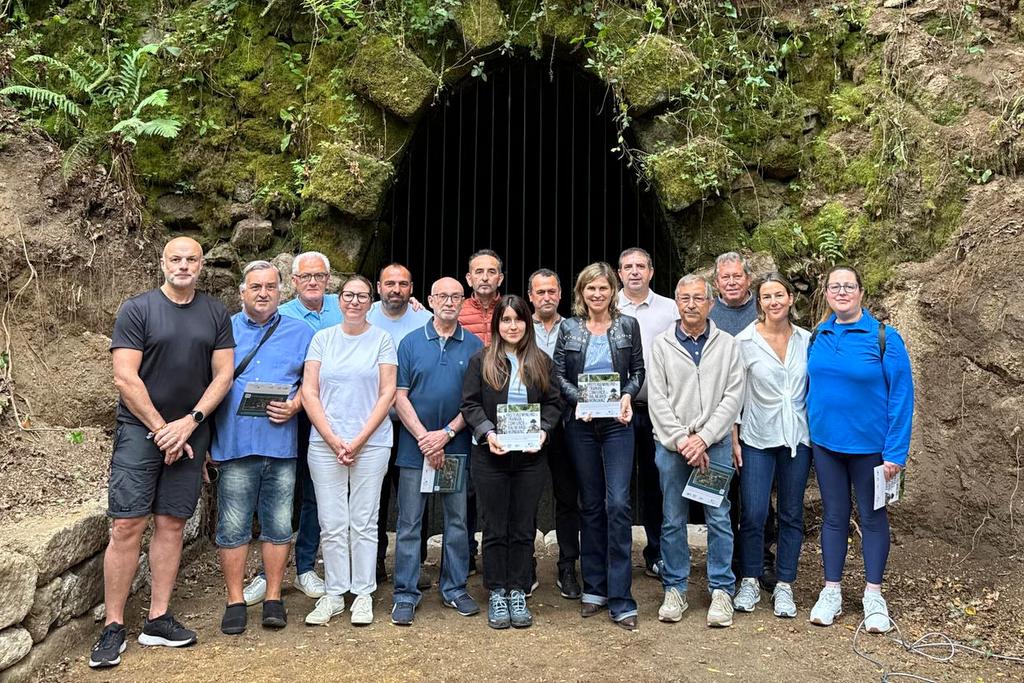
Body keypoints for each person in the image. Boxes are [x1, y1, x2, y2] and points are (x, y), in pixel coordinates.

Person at [91, 237, 234, 669]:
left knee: (172, 523)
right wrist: (162, 430)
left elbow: (223, 375)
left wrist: (189, 423)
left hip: (191, 432)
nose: (183, 265)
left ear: (201, 265)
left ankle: (157, 618)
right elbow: (125, 378)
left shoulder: (216, 313)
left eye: (191, 259)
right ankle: (113, 626)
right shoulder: (137, 310)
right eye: (176, 259)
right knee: (127, 525)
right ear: (163, 263)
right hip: (141, 432)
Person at [806, 265, 914, 633]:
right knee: (834, 516)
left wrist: (895, 452)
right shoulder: (818, 335)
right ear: (826, 293)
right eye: (834, 286)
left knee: (873, 518)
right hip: (826, 445)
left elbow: (901, 397)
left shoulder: (884, 338)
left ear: (861, 292)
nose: (841, 292)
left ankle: (873, 596)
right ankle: (831, 591)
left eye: (848, 286)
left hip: (871, 449)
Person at [212, 261, 314, 635]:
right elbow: (207, 383)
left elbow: (312, 384)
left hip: (280, 444)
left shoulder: (300, 332)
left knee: (278, 525)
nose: (263, 293)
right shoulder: (222, 331)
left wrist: (295, 405)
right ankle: (235, 600)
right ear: (242, 292)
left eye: (270, 286)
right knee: (233, 526)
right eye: (255, 286)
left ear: (281, 292)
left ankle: (273, 597)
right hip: (234, 443)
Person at [648, 274, 745, 628]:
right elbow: (657, 398)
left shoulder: (727, 344)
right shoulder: (661, 345)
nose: (691, 304)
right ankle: (675, 588)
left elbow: (733, 396)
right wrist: (682, 440)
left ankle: (721, 589)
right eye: (684, 298)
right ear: (676, 302)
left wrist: (703, 438)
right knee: (672, 518)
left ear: (711, 303)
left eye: (698, 298)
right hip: (673, 446)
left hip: (714, 445)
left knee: (718, 516)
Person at [244, 251, 340, 605]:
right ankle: (266, 573)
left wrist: (418, 306)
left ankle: (305, 567)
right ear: (294, 282)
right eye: (305, 276)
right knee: (276, 493)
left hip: (330, 416)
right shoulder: (279, 314)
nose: (313, 282)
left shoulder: (343, 307)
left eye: (319, 276)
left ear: (328, 279)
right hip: (286, 417)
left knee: (315, 493)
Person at [301, 275, 398, 626]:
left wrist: (357, 440)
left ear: (371, 301)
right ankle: (334, 592)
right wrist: (332, 438)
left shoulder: (382, 340)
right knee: (331, 521)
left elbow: (387, 393)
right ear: (339, 300)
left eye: (362, 296)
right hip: (325, 443)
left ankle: (363, 593)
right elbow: (309, 392)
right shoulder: (322, 339)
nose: (355, 301)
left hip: (371, 443)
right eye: (348, 295)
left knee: (364, 520)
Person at [461, 295, 563, 629]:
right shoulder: (481, 361)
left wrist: (544, 431)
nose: (512, 326)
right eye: (505, 320)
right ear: (497, 325)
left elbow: (554, 404)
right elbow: (470, 404)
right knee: (494, 526)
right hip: (491, 456)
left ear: (527, 324)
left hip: (530, 458)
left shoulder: (541, 362)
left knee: (522, 526)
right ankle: (496, 591)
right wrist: (487, 433)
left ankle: (518, 589)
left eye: (518, 319)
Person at [553, 262, 644, 630]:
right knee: (590, 504)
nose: (597, 294)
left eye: (603, 288)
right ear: (581, 292)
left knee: (618, 503)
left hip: (618, 424)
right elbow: (558, 375)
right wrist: (579, 400)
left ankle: (621, 597)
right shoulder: (569, 328)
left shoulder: (628, 326)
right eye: (590, 288)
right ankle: (595, 587)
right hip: (582, 424)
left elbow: (637, 371)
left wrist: (627, 396)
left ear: (612, 291)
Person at [390, 277, 484, 625]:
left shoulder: (474, 345)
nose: (449, 302)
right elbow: (399, 395)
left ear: (463, 301)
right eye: (442, 296)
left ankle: (455, 588)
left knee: (457, 522)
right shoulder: (410, 343)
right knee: (409, 523)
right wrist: (425, 438)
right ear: (430, 300)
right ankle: (405, 593)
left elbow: (474, 401)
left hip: (455, 447)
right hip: (414, 448)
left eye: (455, 296)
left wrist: (444, 435)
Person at [731, 273, 811, 619]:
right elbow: (734, 393)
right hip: (757, 437)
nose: (774, 302)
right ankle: (749, 579)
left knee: (792, 513)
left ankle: (784, 584)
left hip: (798, 437)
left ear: (790, 298)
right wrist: (733, 438)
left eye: (779, 295)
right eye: (767, 297)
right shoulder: (744, 341)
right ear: (759, 302)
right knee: (754, 512)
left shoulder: (807, 340)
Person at [708, 251, 777, 589]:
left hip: (758, 415)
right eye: (726, 277)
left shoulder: (762, 309)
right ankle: (728, 560)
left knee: (757, 496)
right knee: (722, 492)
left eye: (738, 276)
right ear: (716, 282)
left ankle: (761, 557)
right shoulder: (708, 313)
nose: (732, 282)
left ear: (748, 279)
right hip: (717, 416)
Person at [367, 263, 433, 583]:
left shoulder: (425, 319)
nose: (396, 289)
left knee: (415, 498)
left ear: (412, 289)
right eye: (390, 283)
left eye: (403, 284)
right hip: (372, 424)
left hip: (412, 424)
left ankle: (414, 565)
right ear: (378, 287)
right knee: (374, 497)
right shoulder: (363, 314)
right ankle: (374, 562)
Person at [616, 247, 679, 578]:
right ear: (619, 273)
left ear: (651, 272)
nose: (635, 272)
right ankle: (618, 554)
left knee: (657, 483)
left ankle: (656, 552)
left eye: (641, 266)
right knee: (618, 486)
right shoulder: (607, 306)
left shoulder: (670, 309)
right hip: (618, 412)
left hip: (659, 411)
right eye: (628, 266)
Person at [527, 268, 582, 600]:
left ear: (560, 294)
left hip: (567, 424)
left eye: (551, 291)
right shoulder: (519, 326)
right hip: (528, 424)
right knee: (527, 497)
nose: (546, 297)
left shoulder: (575, 328)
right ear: (530, 296)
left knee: (567, 497)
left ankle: (567, 565)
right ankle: (526, 563)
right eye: (540, 292)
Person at [458, 249, 504, 572]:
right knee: (466, 489)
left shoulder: (512, 309)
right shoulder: (456, 310)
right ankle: (466, 554)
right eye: (479, 272)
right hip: (468, 409)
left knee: (499, 487)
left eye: (491, 272)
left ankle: (497, 554)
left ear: (500, 277)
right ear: (469, 278)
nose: (485, 277)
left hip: (506, 410)